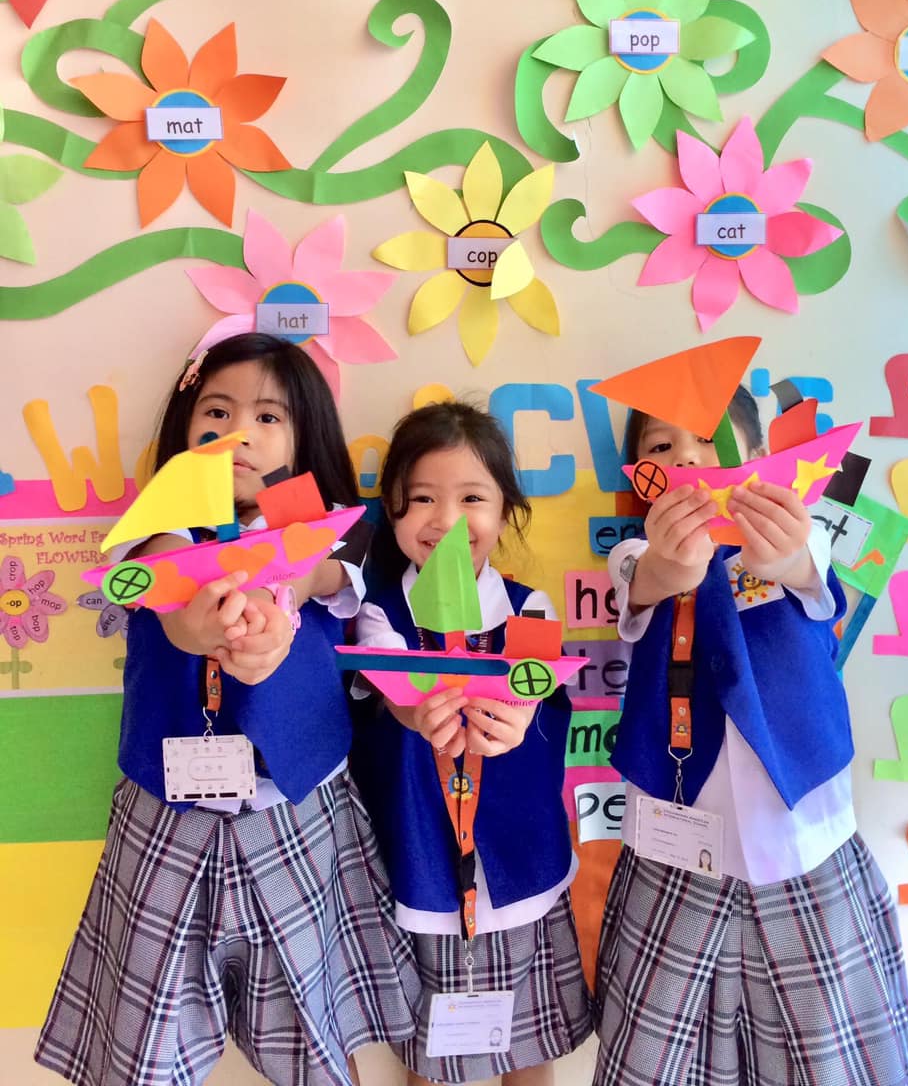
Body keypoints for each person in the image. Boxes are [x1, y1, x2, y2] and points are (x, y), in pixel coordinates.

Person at [36, 333, 420, 1086]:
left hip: (298, 811)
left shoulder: (336, 527)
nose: (238, 432)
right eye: (217, 411)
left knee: (316, 1030)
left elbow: (319, 572)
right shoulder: (163, 526)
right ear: (185, 425)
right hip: (166, 816)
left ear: (306, 435)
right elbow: (161, 580)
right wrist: (197, 624)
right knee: (143, 1037)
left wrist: (275, 603)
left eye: (267, 417)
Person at [593, 386, 908, 1086]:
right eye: (662, 447)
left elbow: (810, 573)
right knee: (654, 1060)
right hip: (673, 857)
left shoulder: (803, 536)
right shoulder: (634, 554)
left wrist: (784, 556)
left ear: (761, 456)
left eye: (711, 440)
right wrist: (673, 564)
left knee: (831, 1059)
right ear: (642, 478)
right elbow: (649, 579)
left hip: (806, 845)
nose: (688, 458)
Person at [350, 402, 592, 1086]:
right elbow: (389, 687)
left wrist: (518, 715)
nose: (447, 520)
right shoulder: (377, 612)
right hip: (423, 859)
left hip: (519, 856)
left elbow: (538, 692)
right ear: (392, 510)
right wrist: (415, 711)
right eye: (423, 497)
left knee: (529, 1050)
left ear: (506, 510)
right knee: (432, 1055)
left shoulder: (530, 608)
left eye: (472, 499)